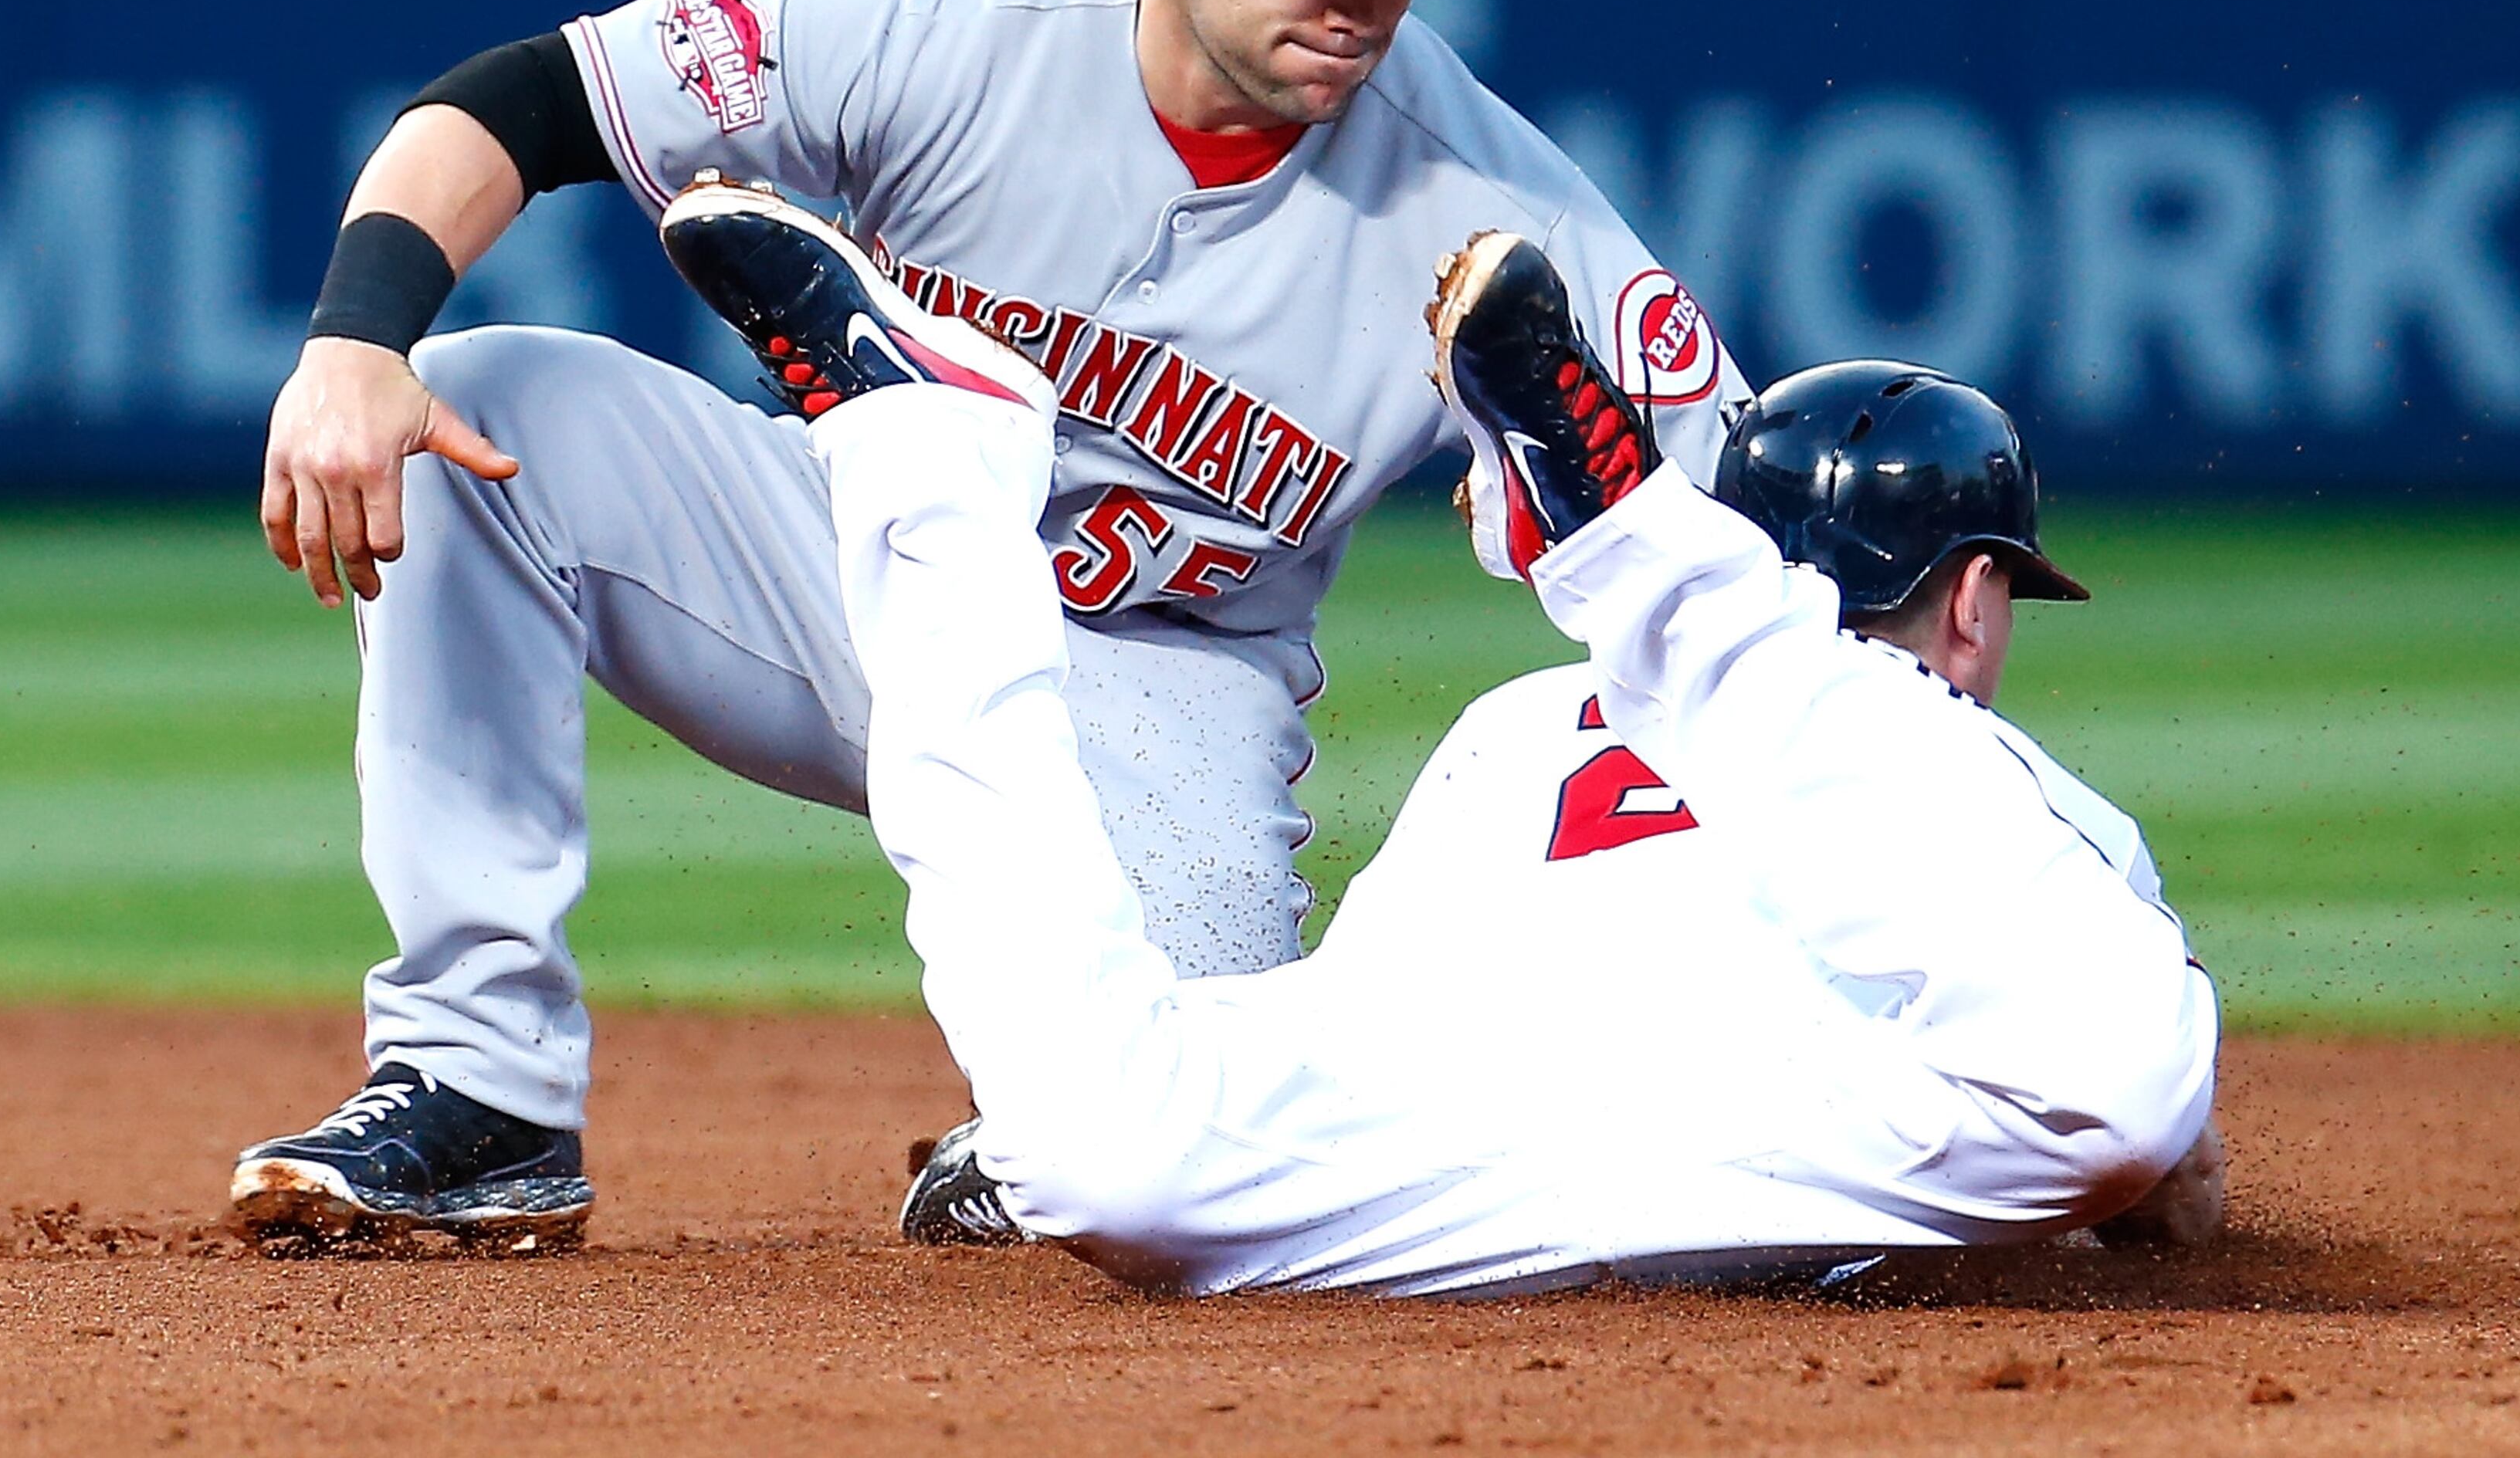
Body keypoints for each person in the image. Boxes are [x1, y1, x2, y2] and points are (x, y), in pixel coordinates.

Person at [229, 0, 1743, 1250]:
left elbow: (1740, 495)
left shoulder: (1484, 195)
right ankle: (481, 1084)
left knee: (1195, 1147)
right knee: (465, 410)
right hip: (843, 567)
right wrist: (355, 338)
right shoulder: (954, 30)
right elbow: (520, 102)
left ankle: (1036, 1123)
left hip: (1154, 686)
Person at [642, 181, 2223, 1295]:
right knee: (2111, 1093)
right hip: (1760, 1133)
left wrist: (1216, 1095)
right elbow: (2164, 1183)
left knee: (1108, 1159)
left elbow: (1360, 1002)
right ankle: (1626, 548)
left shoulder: (1525, 721)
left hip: (1460, 1151)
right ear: (1968, 603)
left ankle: (927, 459)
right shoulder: (2029, 800)